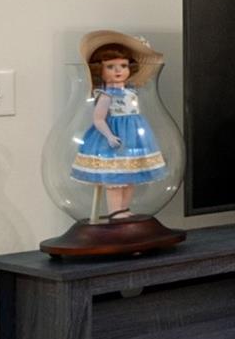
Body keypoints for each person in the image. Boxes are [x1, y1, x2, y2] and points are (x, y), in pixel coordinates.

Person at [71, 36, 168, 220]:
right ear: (99, 69)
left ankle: (124, 209)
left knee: (130, 177)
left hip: (133, 138)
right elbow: (98, 119)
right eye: (110, 66)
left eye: (123, 66)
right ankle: (115, 211)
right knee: (115, 178)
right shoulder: (106, 95)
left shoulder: (131, 91)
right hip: (114, 139)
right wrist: (109, 136)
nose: (118, 70)